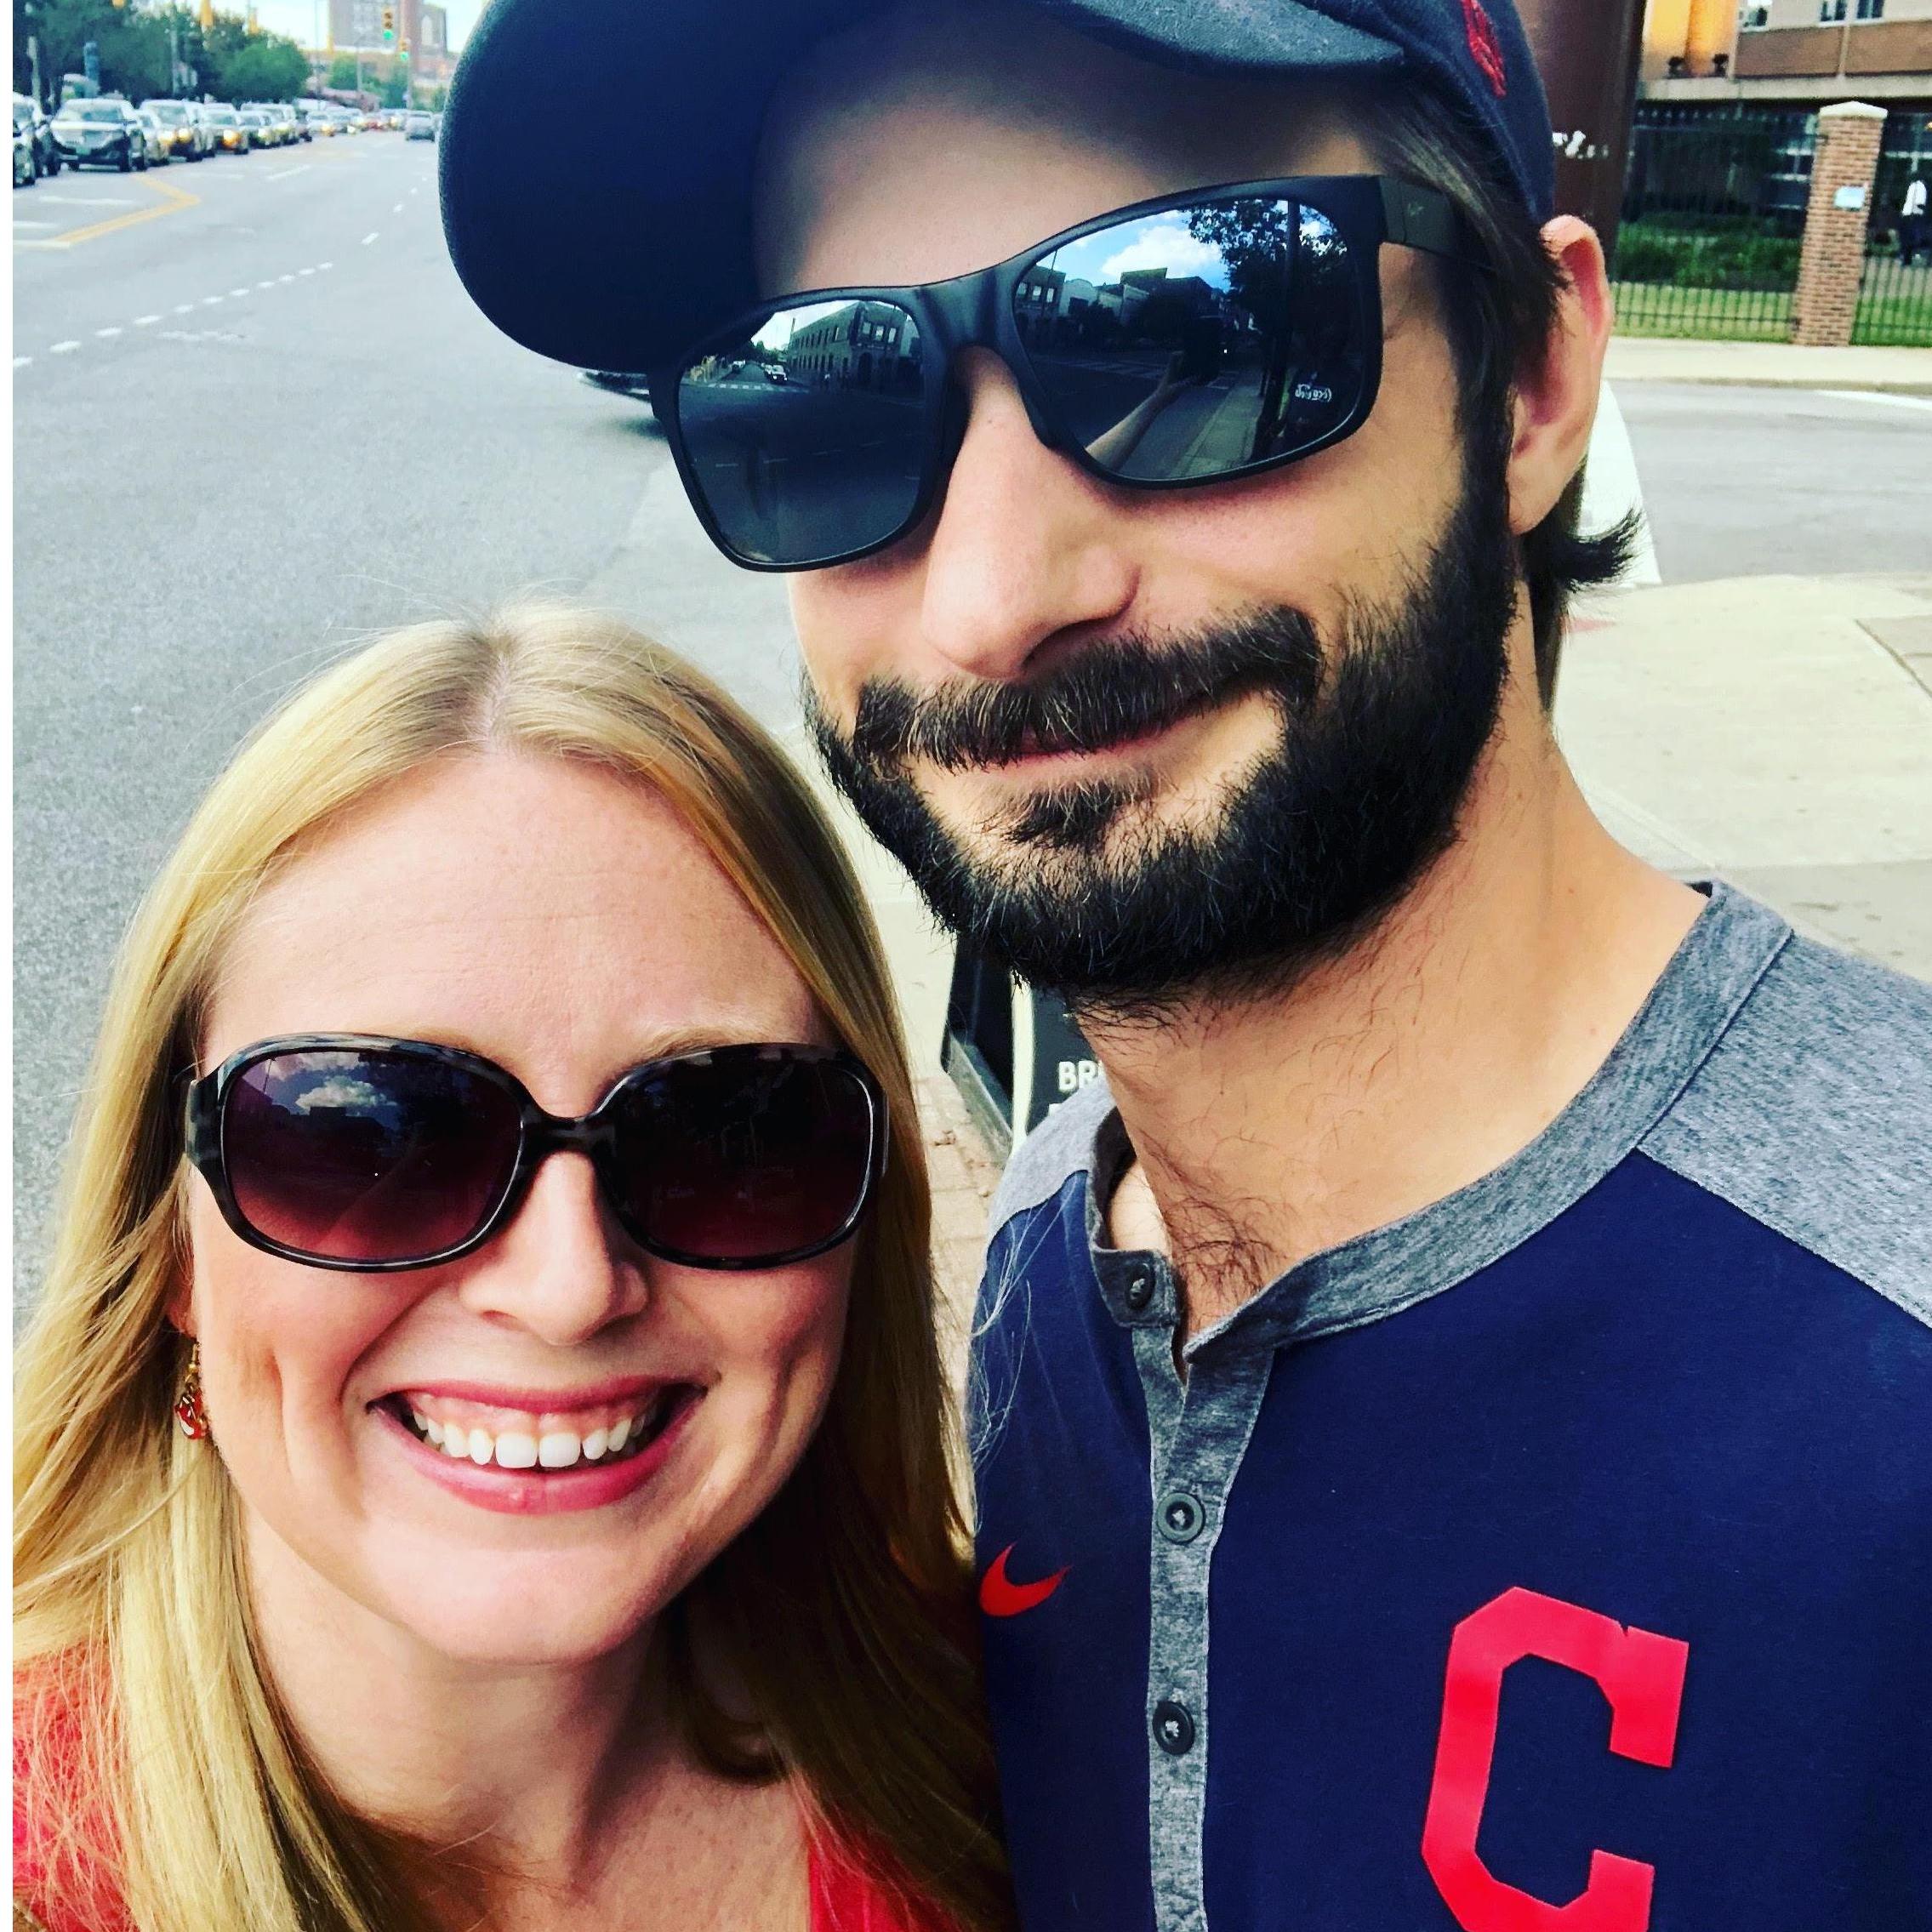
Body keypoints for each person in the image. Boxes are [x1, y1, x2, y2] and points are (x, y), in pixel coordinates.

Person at [441, 5, 1932, 1927]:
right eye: (826, 404)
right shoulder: (1055, 1263)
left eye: (1190, 335)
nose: (994, 597)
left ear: (1535, 377)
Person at [13, 607, 1009, 1932]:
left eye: (728, 1132)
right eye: (368, 1134)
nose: (567, 1286)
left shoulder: (1011, 1751)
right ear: (174, 1248)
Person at [1901, 171, 1928, 267]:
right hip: (1914, 214)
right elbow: (1920, 203)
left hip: (1908, 214)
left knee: (1907, 238)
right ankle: (1910, 257)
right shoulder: (1920, 186)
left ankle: (1906, 258)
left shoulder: (1913, 185)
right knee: (1913, 238)